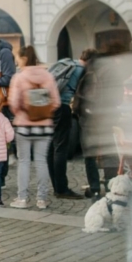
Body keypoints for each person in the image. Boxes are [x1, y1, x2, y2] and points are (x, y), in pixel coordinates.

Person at [7, 46, 61, 209]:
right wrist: (43, 112)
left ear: (24, 59)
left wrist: (24, 114)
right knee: (41, 161)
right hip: (44, 126)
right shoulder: (48, 76)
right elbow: (56, 102)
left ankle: (22, 199)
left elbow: (14, 103)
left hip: (24, 126)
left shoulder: (19, 77)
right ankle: (42, 200)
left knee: (24, 162)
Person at [79, 43, 128, 198]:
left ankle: (94, 188)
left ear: (86, 60)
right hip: (108, 116)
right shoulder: (112, 70)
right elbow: (119, 97)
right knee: (109, 151)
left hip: (89, 117)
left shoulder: (86, 71)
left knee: (89, 154)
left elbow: (80, 96)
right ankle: (110, 185)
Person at [49, 49, 90, 200]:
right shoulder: (82, 71)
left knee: (51, 149)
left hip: (50, 107)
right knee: (61, 148)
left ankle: (56, 185)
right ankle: (62, 189)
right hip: (63, 107)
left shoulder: (67, 63)